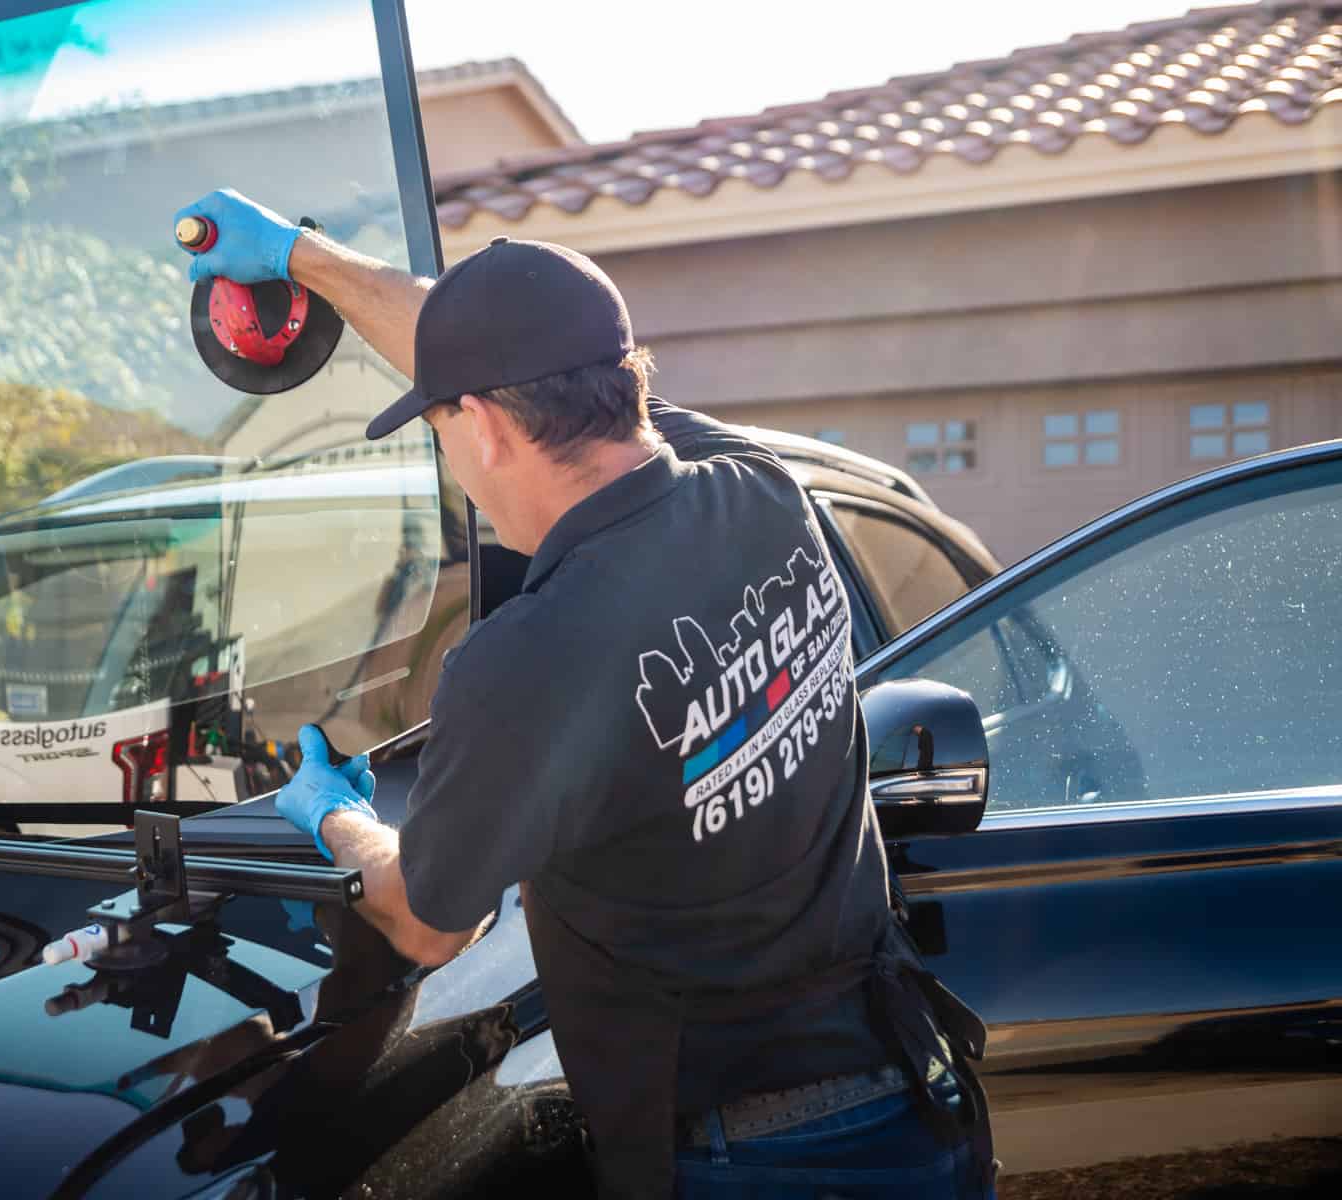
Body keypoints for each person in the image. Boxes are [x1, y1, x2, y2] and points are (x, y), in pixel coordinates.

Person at [173, 188, 996, 1199]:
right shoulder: (763, 490)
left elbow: (430, 921)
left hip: (751, 1163)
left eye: (437, 426)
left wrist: (338, 818)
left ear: (479, 426)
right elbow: (482, 343)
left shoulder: (530, 657)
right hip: (919, 1103)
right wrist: (304, 258)